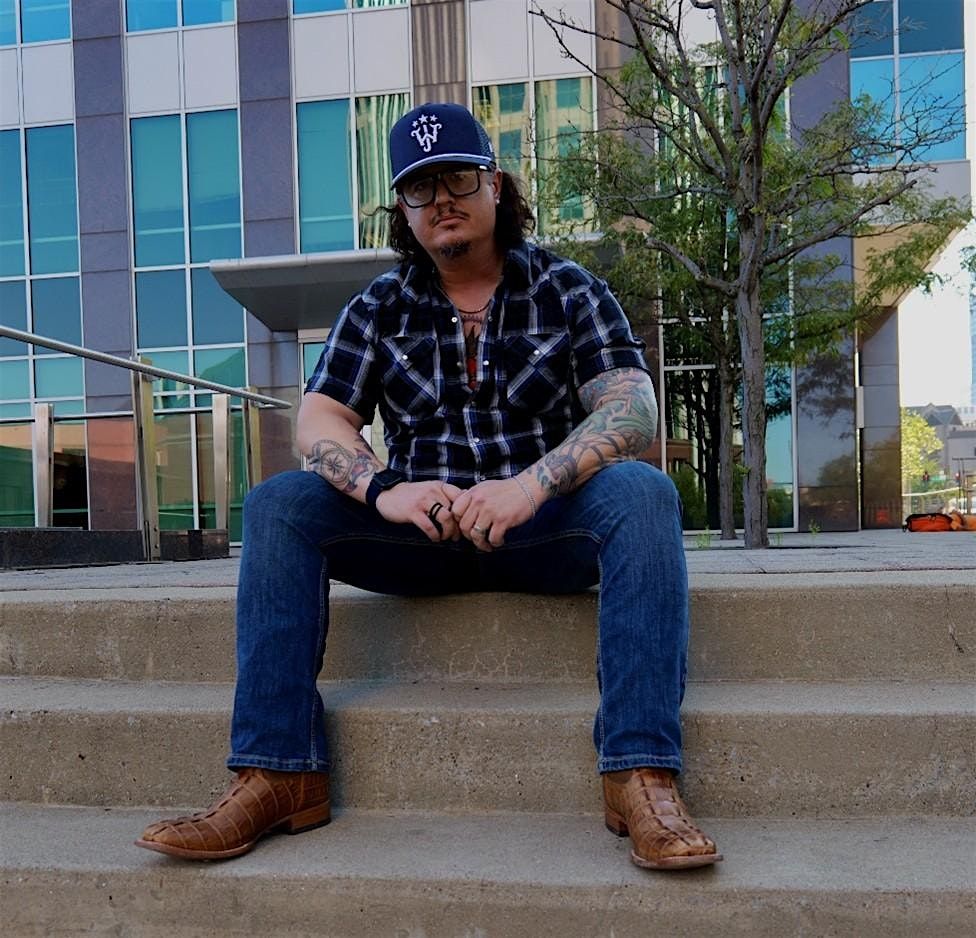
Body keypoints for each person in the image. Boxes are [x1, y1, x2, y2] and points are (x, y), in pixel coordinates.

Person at [136, 103, 721, 871]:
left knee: (644, 494)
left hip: (543, 528)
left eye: (457, 178)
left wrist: (531, 486)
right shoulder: (378, 307)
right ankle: (278, 773)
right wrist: (385, 490)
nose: (441, 199)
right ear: (403, 211)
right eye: (419, 187)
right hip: (421, 532)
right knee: (280, 503)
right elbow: (319, 420)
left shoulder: (570, 290)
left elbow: (633, 406)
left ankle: (638, 774)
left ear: (495, 186)